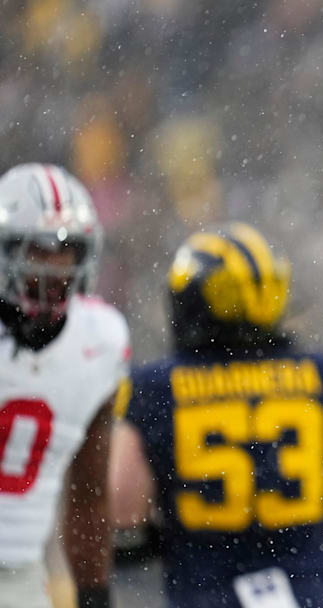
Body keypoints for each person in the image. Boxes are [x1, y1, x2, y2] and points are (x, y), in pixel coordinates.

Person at [109, 222, 323, 608]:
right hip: (306, 594)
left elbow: (123, 519)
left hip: (206, 595)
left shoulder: (154, 388)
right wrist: (321, 537)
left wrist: (177, 543)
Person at [0, 163, 129, 608]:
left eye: (67, 251)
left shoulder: (99, 341)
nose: (54, 268)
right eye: (38, 251)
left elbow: (88, 494)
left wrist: (95, 596)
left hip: (18, 574)